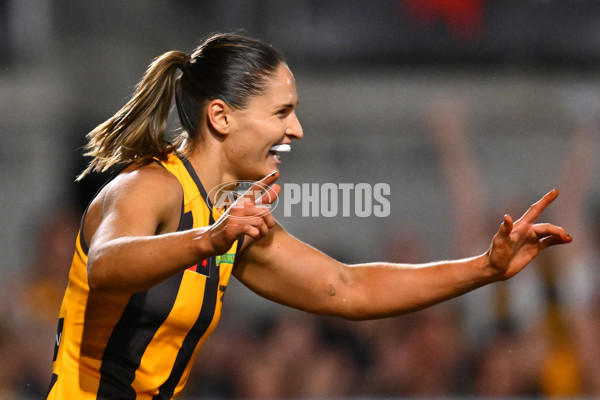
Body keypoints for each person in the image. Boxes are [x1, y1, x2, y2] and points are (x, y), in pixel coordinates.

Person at [46, 32, 572, 399]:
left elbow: (347, 287)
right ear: (221, 117)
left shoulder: (228, 219)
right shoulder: (149, 185)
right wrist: (207, 240)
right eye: (281, 112)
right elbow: (107, 265)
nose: (296, 129)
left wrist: (484, 268)